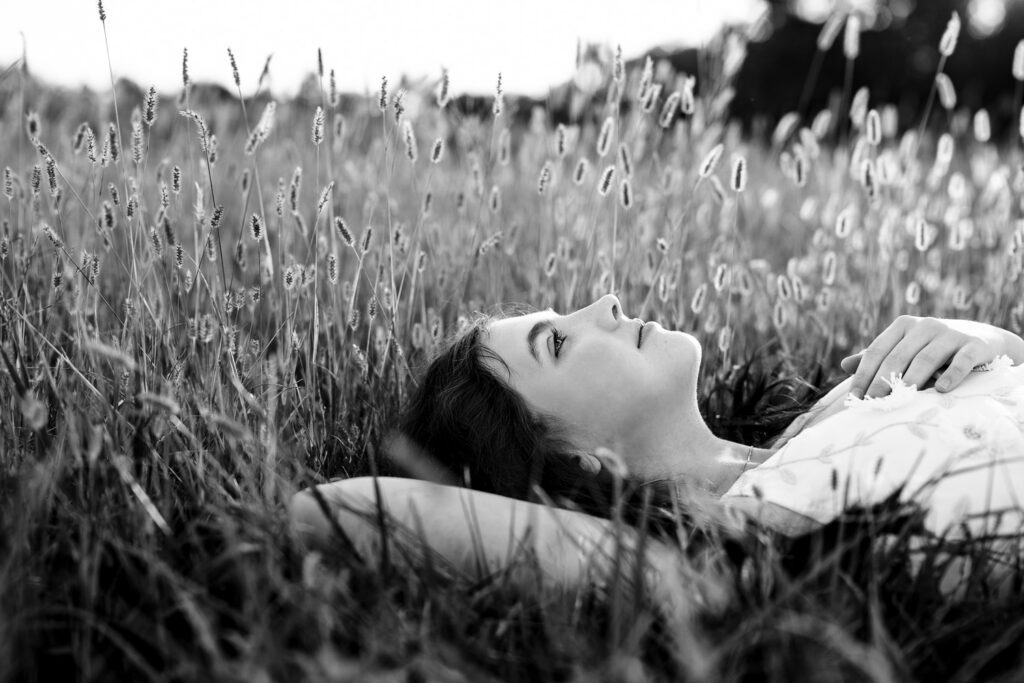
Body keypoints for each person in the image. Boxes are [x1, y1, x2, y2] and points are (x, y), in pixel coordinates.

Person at [289, 294, 1024, 600]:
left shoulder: (842, 401)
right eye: (558, 341)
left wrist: (992, 340)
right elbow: (334, 510)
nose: (605, 303)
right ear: (573, 460)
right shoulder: (727, 553)